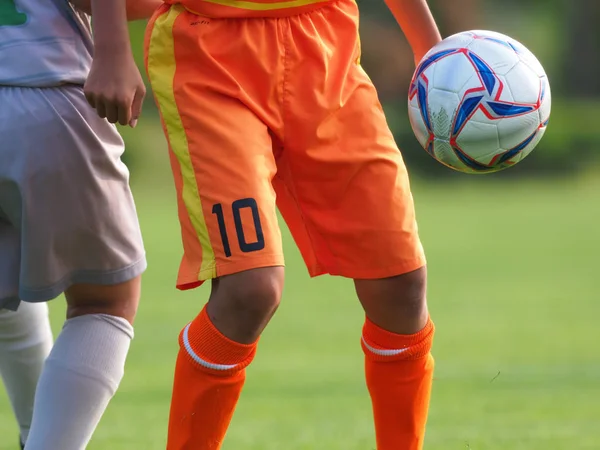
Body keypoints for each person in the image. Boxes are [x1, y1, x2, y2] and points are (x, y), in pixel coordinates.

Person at [87, 0, 442, 448]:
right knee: (250, 290)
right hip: (210, 51)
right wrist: (111, 48)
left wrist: (430, 49)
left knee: (401, 282)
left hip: (327, 44)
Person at [0, 0, 155, 448]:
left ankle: (36, 436)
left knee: (6, 281)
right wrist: (112, 50)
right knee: (103, 302)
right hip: (41, 80)